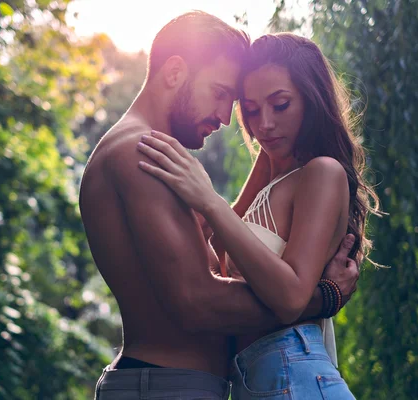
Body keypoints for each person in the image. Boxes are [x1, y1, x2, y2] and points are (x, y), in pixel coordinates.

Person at [79, 12, 360, 400]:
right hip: (166, 386)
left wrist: (272, 143)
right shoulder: (144, 152)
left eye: (237, 104)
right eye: (221, 93)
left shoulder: (148, 154)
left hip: (176, 383)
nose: (229, 119)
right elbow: (198, 301)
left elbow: (219, 236)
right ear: (175, 72)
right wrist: (322, 297)